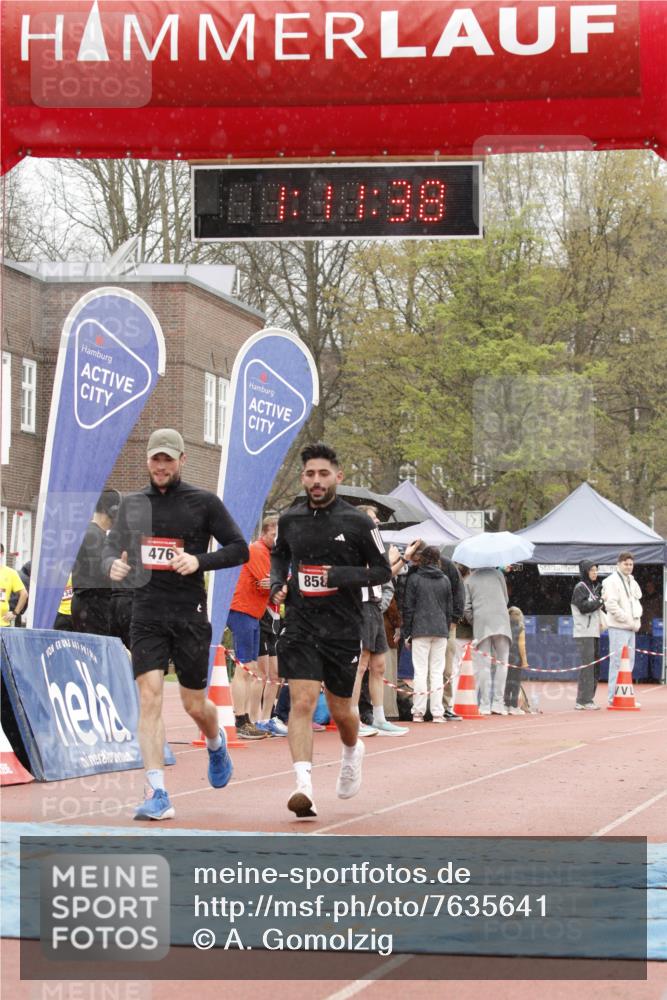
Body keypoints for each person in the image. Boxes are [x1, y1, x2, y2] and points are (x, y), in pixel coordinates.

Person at [102, 428, 249, 821]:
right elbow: (106, 547)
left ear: (182, 460)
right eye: (156, 459)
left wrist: (200, 561)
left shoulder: (204, 503)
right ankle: (157, 793)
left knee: (193, 703)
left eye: (169, 459)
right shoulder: (133, 505)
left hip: (188, 614)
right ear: (147, 461)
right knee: (148, 697)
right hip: (146, 612)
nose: (162, 466)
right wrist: (110, 564)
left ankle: (216, 744)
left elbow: (239, 548)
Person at [270, 443, 392, 819]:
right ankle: (303, 785)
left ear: (338, 476)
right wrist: (279, 581)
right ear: (303, 477)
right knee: (302, 700)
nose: (316, 481)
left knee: (342, 711)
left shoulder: (358, 522)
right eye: (310, 474)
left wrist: (339, 576)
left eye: (323, 474)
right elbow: (279, 554)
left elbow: (383, 571)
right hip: (302, 623)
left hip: (342, 627)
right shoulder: (291, 519)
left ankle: (353, 750)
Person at [349, 505, 409, 737]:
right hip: (360, 608)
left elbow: (383, 576)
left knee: (379, 666)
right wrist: (389, 560)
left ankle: (380, 718)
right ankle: (353, 718)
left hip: (374, 610)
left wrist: (403, 559)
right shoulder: (353, 544)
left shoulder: (375, 546)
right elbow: (361, 575)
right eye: (373, 518)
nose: (378, 522)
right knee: (360, 665)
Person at [227, 516, 279, 739]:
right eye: (274, 535)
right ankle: (240, 719)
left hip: (254, 614)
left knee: (253, 669)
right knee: (245, 667)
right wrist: (279, 583)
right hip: (242, 611)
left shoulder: (270, 554)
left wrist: (278, 583)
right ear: (264, 534)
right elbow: (269, 582)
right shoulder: (257, 550)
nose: (278, 539)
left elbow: (274, 584)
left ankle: (246, 717)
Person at [401, 545, 453, 723]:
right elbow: (449, 608)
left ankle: (418, 712)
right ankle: (438, 712)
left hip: (420, 629)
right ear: (438, 560)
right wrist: (445, 629)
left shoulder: (415, 579)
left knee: (420, 672)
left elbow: (408, 608)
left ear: (422, 558)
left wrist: (407, 633)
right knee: (437, 673)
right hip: (440, 629)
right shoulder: (445, 579)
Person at [71, 489, 121, 635]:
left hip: (86, 603)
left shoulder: (89, 533)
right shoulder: (95, 536)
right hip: (93, 605)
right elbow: (103, 573)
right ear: (112, 511)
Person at [465, 567, 512, 715]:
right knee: (502, 663)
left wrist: (476, 621)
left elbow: (466, 608)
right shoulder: (498, 574)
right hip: (501, 620)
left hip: (481, 622)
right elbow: (506, 599)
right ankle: (498, 703)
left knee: (483, 665)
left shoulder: (469, 579)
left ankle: (484, 704)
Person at [601, 552, 643, 705]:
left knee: (629, 662)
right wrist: (625, 618)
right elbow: (611, 605)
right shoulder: (611, 581)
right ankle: (613, 697)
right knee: (618, 662)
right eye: (626, 564)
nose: (629, 567)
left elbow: (635, 601)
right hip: (619, 627)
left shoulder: (631, 580)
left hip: (631, 628)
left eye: (631, 564)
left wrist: (636, 620)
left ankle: (625, 695)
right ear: (618, 564)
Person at [570, 560, 604, 710]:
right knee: (588, 666)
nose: (595, 573)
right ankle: (583, 700)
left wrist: (599, 599)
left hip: (594, 631)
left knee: (595, 666)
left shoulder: (594, 587)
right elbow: (584, 608)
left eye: (596, 570)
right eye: (592, 570)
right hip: (584, 632)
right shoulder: (580, 587)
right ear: (585, 571)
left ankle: (588, 698)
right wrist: (601, 600)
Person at [505, 606, 528, 715]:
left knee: (507, 682)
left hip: (506, 657)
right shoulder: (520, 628)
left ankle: (505, 705)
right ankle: (513, 706)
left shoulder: (504, 627)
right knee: (515, 683)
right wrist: (524, 661)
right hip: (516, 658)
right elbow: (521, 645)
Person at [0, 543, 28, 627]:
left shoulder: (10, 573)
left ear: (1, 554)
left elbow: (24, 594)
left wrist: (15, 612)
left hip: (2, 625)